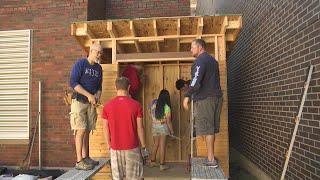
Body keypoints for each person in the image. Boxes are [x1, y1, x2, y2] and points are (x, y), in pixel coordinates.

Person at [183, 39, 223, 168]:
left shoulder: (200, 60)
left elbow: (196, 80)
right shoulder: (213, 61)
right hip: (216, 97)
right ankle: (210, 157)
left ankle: (211, 159)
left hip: (206, 99)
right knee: (210, 129)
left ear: (200, 47)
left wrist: (187, 96)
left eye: (192, 47)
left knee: (207, 129)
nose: (190, 50)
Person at [102, 77, 149, 180]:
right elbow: (140, 128)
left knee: (117, 178)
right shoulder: (136, 105)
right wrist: (144, 147)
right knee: (134, 178)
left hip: (115, 148)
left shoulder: (107, 106)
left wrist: (109, 145)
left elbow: (105, 127)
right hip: (132, 148)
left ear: (116, 88)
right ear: (128, 87)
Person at [69, 43, 103, 170]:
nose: (99, 55)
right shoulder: (81, 64)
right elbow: (73, 83)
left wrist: (97, 96)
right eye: (97, 52)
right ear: (91, 51)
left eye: (101, 53)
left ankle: (86, 157)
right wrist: (89, 95)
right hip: (79, 101)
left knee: (88, 130)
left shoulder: (99, 69)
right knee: (80, 129)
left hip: (91, 104)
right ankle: (79, 161)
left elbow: (99, 87)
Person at [149, 89, 174, 171]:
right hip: (163, 127)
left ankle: (152, 162)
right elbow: (169, 121)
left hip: (154, 126)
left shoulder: (153, 103)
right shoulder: (166, 107)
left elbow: (150, 113)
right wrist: (172, 131)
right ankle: (162, 165)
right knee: (162, 146)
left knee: (156, 144)